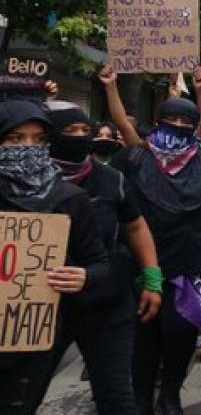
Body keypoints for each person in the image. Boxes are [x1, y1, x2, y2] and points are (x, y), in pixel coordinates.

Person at [100, 66, 201, 415]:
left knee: (181, 331)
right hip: (143, 262)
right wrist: (110, 87)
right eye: (172, 122)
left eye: (187, 124)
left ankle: (170, 392)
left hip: (193, 261)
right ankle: (140, 397)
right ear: (158, 121)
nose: (179, 130)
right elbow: (109, 200)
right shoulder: (134, 157)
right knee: (145, 335)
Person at [31, 104, 164, 414]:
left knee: (116, 398)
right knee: (23, 394)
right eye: (69, 132)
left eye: (84, 131)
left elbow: (135, 226)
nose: (79, 137)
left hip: (106, 303)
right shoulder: (25, 184)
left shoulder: (110, 180)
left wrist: (151, 278)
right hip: (41, 305)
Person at [0, 100, 111, 414]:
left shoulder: (69, 199)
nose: (27, 147)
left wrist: (84, 276)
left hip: (33, 338)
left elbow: (100, 263)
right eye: (14, 139)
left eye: (37, 139)